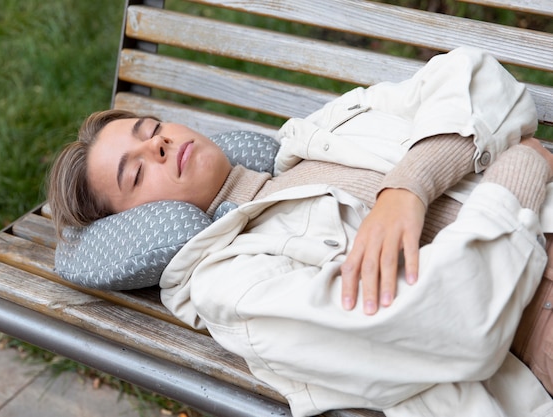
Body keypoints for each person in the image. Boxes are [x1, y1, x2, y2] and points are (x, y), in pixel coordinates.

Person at [48, 47, 553, 416]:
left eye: (151, 128)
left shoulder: (318, 133)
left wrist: (409, 187)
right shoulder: (232, 281)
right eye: (134, 174)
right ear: (135, 225)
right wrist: (520, 170)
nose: (158, 145)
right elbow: (458, 325)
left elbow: (474, 75)